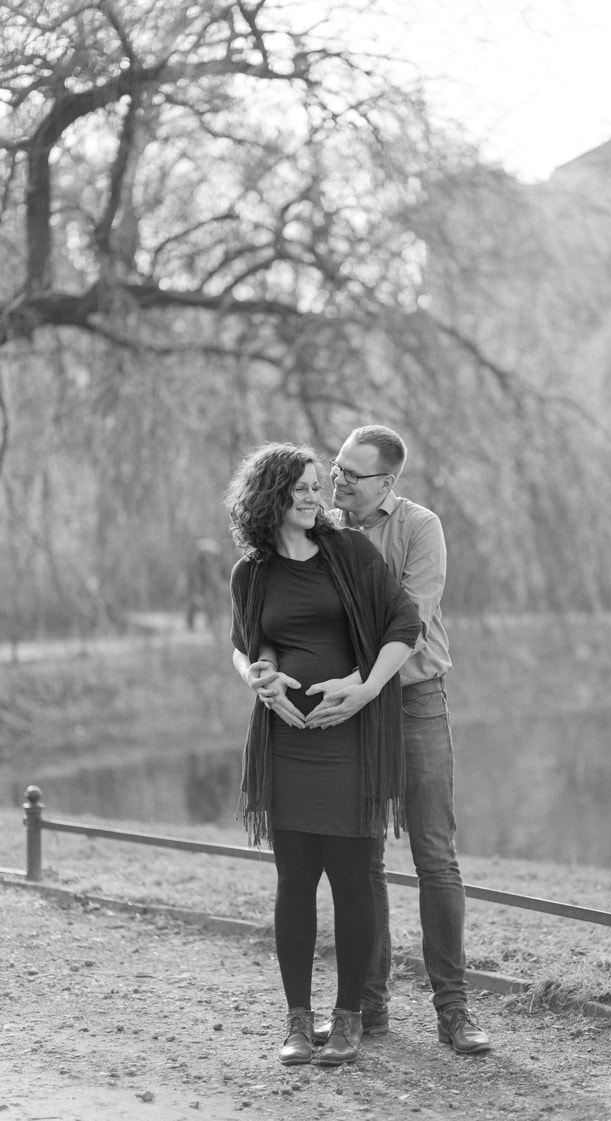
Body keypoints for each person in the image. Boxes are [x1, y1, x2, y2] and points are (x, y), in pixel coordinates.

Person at [259, 424, 492, 1056]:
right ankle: (370, 1006)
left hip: (411, 701)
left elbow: (409, 620)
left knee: (434, 855)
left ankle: (454, 1010)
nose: (337, 483)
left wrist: (362, 682)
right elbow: (281, 606)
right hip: (349, 711)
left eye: (351, 475)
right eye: (336, 470)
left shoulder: (419, 528)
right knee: (361, 861)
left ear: (386, 482)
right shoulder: (322, 530)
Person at [226, 443, 421, 1068]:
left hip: (350, 744)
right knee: (294, 883)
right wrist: (260, 677)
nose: (318, 497)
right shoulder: (251, 572)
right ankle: (296, 1021)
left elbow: (404, 623)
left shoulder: (349, 551)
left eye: (319, 485)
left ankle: (348, 1019)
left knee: (351, 882)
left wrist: (365, 688)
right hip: (286, 743)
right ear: (272, 498)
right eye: (304, 488)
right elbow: (244, 644)